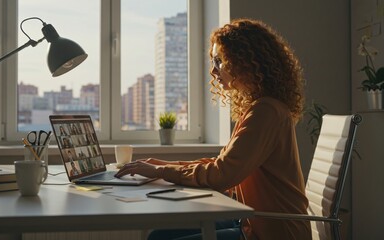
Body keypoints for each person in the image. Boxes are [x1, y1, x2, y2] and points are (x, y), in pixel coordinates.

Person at [116, 18, 311, 240]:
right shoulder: (260, 108)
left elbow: (221, 175)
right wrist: (164, 165)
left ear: (242, 61)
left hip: (275, 232)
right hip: (255, 224)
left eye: (219, 61)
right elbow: (223, 164)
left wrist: (161, 172)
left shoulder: (265, 111)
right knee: (160, 235)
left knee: (159, 238)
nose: (213, 71)